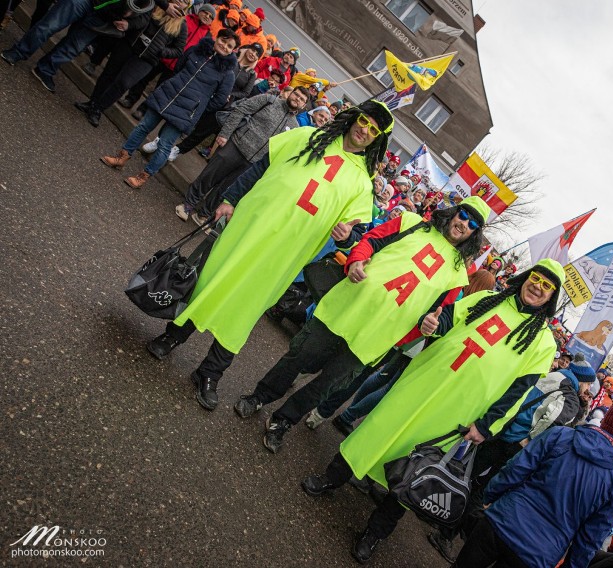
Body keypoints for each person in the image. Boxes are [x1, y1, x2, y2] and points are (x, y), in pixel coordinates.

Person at [300, 260, 566, 563]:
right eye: (536, 278)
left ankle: (374, 533)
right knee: (376, 432)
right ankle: (331, 478)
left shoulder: (543, 342)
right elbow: (448, 319)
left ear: (552, 296)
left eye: (547, 286)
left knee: (418, 468)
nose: (538, 287)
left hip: (457, 413)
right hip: (422, 383)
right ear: (525, 277)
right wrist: (432, 324)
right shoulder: (487, 299)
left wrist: (486, 425)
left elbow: (518, 391)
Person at [144, 101, 395, 411]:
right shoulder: (308, 137)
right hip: (249, 227)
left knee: (246, 309)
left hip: (286, 255)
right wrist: (229, 198)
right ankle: (172, 337)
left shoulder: (362, 183)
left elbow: (354, 233)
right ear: (353, 118)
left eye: (373, 129)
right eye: (363, 121)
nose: (364, 130)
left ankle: (209, 372)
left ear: (377, 139)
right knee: (211, 283)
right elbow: (260, 167)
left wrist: (346, 239)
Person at [234, 197, 490, 453]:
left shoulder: (457, 276)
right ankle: (259, 397)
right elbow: (370, 241)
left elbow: (435, 315)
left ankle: (282, 421)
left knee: (325, 387)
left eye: (473, 223)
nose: (464, 224)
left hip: (372, 340)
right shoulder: (411, 223)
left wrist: (426, 327)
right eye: (464, 215)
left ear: (475, 233)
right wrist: (356, 260)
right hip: (344, 311)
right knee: (297, 358)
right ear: (454, 213)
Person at [454, 398, 613, 568]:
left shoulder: (561, 435)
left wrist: (491, 495)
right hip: (537, 553)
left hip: (503, 521)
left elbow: (516, 468)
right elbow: (589, 541)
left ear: (604, 422)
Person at [99, 30, 237, 188]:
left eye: (229, 46)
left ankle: (143, 177)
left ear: (233, 50)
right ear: (216, 38)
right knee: (143, 126)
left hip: (186, 110)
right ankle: (121, 157)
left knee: (165, 144)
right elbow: (179, 68)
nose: (224, 46)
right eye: (223, 40)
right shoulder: (196, 50)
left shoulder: (228, 74)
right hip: (168, 94)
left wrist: (197, 105)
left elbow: (219, 100)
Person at [174, 86, 309, 222]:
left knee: (224, 190)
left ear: (303, 105)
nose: (297, 98)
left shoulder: (294, 127)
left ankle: (204, 214)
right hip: (235, 145)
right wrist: (225, 133)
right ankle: (187, 205)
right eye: (296, 94)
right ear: (290, 93)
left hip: (253, 163)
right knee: (209, 176)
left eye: (302, 99)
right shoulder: (269, 100)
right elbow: (241, 109)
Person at [1, 0, 183, 93]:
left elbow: (143, 18)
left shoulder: (152, 4)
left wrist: (129, 24)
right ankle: (18, 52)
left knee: (73, 47)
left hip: (104, 18)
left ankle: (45, 69)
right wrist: (165, 4)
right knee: (49, 26)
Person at [74, 0, 189, 127]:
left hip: (147, 59)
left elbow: (179, 50)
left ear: (187, 6)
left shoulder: (182, 26)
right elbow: (140, 18)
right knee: (108, 74)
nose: (181, 1)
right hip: (129, 44)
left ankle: (98, 109)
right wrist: (129, 25)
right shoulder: (155, 6)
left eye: (185, 1)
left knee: (123, 83)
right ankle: (92, 103)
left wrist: (162, 51)